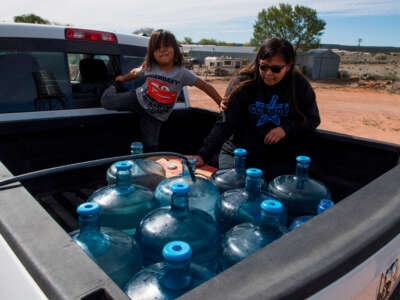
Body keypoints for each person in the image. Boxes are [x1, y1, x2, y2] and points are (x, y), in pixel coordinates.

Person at [192, 38, 321, 180]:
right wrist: (203, 155)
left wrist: (286, 129)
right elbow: (225, 124)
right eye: (263, 67)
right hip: (237, 153)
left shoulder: (299, 85)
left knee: (274, 193)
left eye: (276, 69)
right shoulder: (243, 82)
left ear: (289, 66)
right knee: (234, 188)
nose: (268, 74)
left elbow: (313, 119)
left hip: (276, 157)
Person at [101, 29, 222, 152]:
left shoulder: (182, 73)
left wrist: (220, 102)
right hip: (137, 99)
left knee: (151, 146)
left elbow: (205, 86)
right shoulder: (150, 67)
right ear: (152, 53)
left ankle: (150, 166)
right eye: (157, 48)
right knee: (106, 101)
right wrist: (122, 79)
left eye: (166, 46)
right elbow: (135, 73)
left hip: (155, 115)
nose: (162, 50)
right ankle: (113, 87)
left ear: (175, 49)